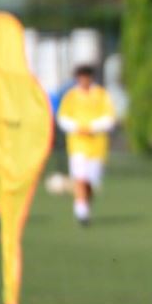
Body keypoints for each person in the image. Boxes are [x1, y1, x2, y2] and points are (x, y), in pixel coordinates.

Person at [55, 65, 116, 227]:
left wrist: (92, 127)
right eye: (80, 77)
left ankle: (85, 206)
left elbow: (109, 118)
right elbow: (63, 118)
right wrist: (77, 128)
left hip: (97, 145)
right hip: (77, 145)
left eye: (86, 77)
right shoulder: (71, 96)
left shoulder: (101, 95)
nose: (83, 80)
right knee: (80, 179)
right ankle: (81, 212)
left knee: (90, 183)